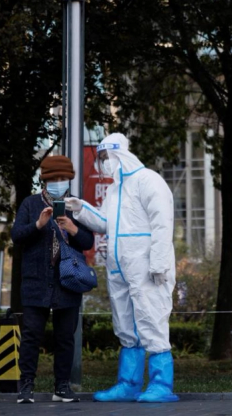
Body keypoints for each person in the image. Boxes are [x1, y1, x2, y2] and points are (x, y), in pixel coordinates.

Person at [65, 133, 178, 403]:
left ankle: (162, 385)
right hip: (118, 266)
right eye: (101, 159)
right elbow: (106, 222)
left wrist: (160, 262)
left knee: (152, 318)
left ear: (120, 154)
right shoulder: (115, 189)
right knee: (125, 323)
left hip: (146, 267)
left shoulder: (149, 181)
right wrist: (81, 209)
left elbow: (163, 222)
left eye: (106, 158)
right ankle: (128, 384)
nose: (104, 164)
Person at [10, 155, 95, 404]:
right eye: (54, 178)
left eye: (64, 178)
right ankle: (26, 387)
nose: (59, 182)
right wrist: (38, 224)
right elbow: (17, 236)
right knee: (32, 335)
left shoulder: (76, 207)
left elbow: (89, 242)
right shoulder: (30, 203)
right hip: (35, 281)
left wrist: (73, 228)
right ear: (44, 180)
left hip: (68, 281)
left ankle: (62, 387)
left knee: (65, 337)